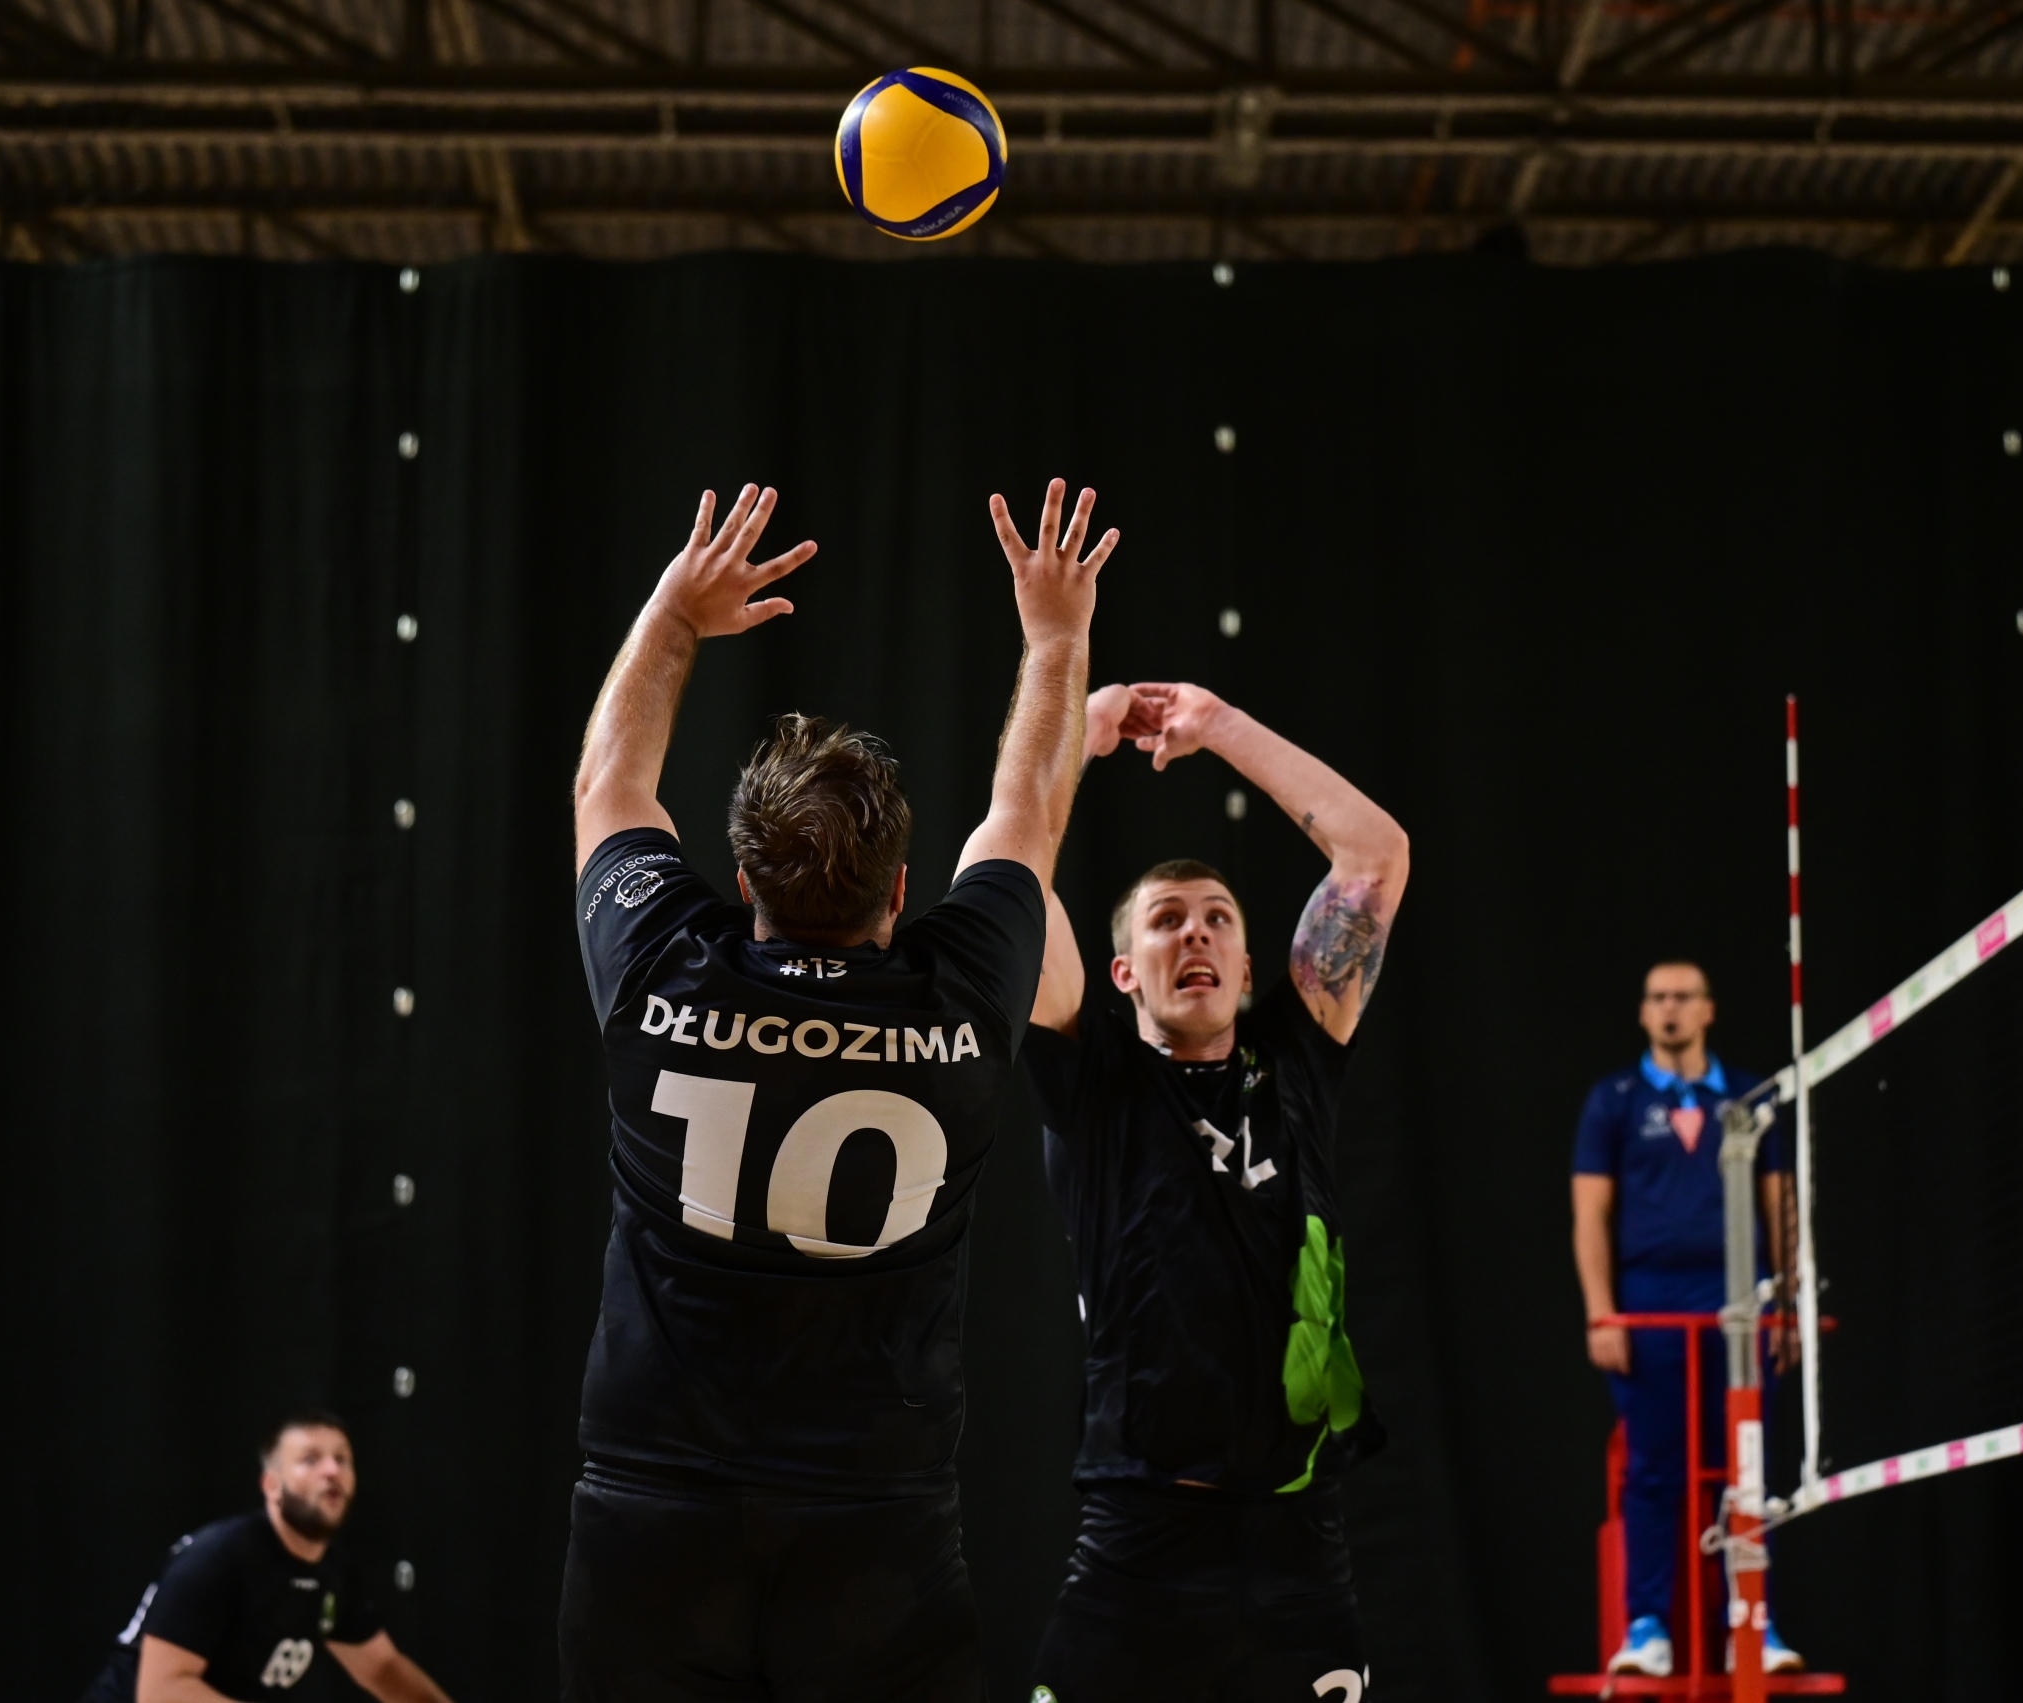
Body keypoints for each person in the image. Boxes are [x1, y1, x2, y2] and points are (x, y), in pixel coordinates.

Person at [562, 479, 1115, 1703]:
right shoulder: (960, 994)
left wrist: (674, 615)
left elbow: (608, 782)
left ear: (740, 877)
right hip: (875, 1520)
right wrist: (1056, 637)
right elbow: (1026, 813)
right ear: (901, 888)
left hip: (655, 1510)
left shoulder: (659, 967)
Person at [1020, 679, 1410, 1703]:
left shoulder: (1296, 1055)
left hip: (1295, 1541)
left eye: (1216, 919)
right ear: (1121, 973)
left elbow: (1374, 855)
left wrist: (1219, 726)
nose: (1194, 934)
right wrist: (1075, 731)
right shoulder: (1094, 1077)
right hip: (1137, 1540)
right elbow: (1011, 877)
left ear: (1244, 968)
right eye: (1166, 921)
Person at [1569, 961, 1800, 1678]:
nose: (1670, 1009)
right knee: (1653, 1467)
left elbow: (1780, 1205)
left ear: (1708, 1009)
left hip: (1739, 1304)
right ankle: (1647, 1627)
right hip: (1649, 1305)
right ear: (1644, 1012)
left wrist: (1789, 1304)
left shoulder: (1748, 1097)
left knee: (1747, 1465)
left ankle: (1752, 1624)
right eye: (1658, 998)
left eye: (1683, 997)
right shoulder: (1613, 1101)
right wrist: (1602, 1313)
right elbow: (1590, 1215)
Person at [81, 1410, 454, 1703]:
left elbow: (383, 1669)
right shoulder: (218, 1558)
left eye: (342, 1459)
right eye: (311, 1459)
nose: (332, 1471)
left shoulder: (334, 1571)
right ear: (271, 1485)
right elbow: (161, 1693)